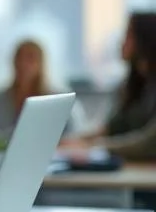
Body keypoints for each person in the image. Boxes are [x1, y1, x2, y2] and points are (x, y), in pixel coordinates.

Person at [61, 12, 156, 159]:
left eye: (128, 34)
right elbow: (112, 128)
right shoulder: (134, 84)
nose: (122, 41)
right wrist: (73, 141)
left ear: (147, 38)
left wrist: (92, 147)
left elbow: (147, 144)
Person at [0, 39, 65, 140]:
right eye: (19, 58)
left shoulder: (56, 101)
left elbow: (76, 137)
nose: (23, 64)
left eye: (30, 59)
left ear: (41, 64)